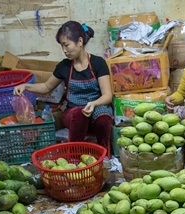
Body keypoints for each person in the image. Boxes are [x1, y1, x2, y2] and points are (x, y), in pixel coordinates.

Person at [13, 21, 113, 155]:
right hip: (73, 113)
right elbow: (46, 86)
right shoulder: (64, 66)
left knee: (104, 119)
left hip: (96, 107)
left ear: (79, 41)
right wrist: (25, 86)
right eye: (62, 46)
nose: (64, 50)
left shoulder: (98, 63)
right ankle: (74, 155)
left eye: (66, 45)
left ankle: (104, 155)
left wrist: (93, 104)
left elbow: (107, 95)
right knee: (79, 113)